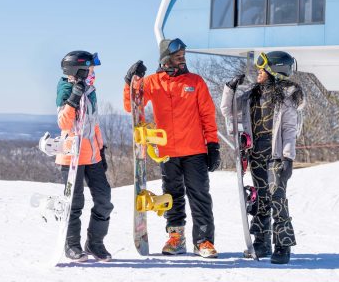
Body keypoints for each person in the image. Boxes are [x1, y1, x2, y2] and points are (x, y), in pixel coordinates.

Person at [124, 38, 220, 258]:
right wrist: (129, 82)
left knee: (199, 196)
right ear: (166, 58)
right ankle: (176, 238)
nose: (182, 59)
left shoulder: (195, 82)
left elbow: (208, 115)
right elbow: (132, 106)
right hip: (166, 152)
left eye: (183, 56)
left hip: (195, 150)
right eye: (178, 56)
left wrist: (212, 144)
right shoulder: (152, 82)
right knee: (172, 195)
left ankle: (203, 241)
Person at [220, 51, 304, 265]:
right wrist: (230, 89)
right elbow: (228, 110)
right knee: (261, 200)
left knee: (277, 199)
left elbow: (288, 129)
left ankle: (282, 245)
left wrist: (287, 157)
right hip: (256, 153)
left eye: (262, 68)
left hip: (276, 155)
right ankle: (262, 241)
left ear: (275, 71)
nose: (258, 71)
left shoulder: (287, 96)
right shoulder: (251, 95)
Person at [56, 50, 113, 262]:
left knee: (104, 200)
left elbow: (94, 124)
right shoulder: (66, 88)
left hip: (92, 155)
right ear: (77, 70)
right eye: (90, 69)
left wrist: (102, 149)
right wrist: (73, 98)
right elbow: (63, 123)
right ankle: (72, 245)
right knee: (75, 202)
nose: (93, 73)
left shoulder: (91, 91)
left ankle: (95, 242)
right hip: (72, 156)